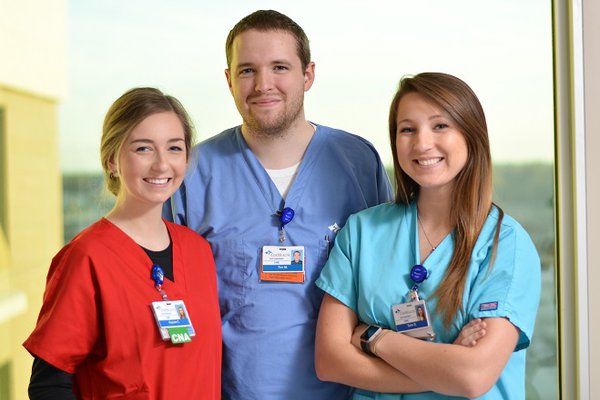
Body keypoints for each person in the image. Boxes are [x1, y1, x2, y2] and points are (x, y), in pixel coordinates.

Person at [164, 9, 393, 400]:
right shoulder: (194, 172)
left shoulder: (357, 160)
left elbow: (386, 275)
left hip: (349, 392)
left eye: (280, 67)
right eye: (247, 70)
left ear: (308, 75)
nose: (263, 84)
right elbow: (169, 299)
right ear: (229, 80)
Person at [315, 72, 541, 399]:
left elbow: (473, 377)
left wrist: (375, 338)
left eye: (440, 126)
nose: (422, 143)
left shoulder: (505, 244)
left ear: (471, 134)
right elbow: (330, 360)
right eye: (407, 129)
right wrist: (443, 370)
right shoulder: (362, 231)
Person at [23, 88, 221, 399]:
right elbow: (49, 386)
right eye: (143, 149)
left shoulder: (198, 250)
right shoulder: (86, 258)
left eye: (174, 148)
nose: (161, 165)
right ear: (111, 160)